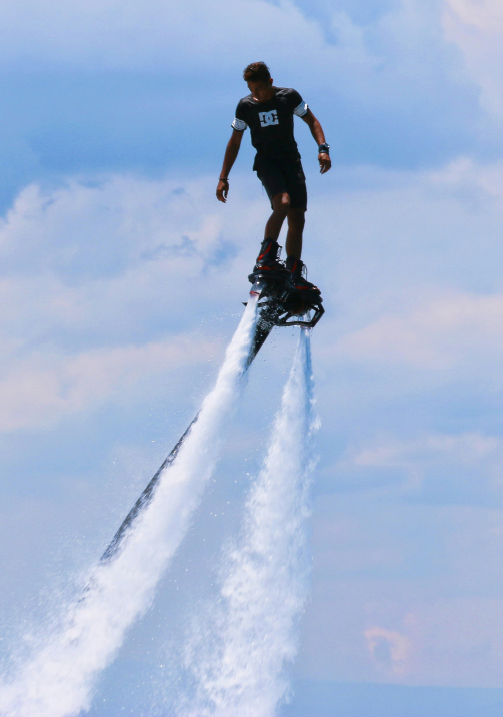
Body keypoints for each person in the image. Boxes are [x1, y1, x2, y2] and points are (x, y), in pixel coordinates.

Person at [216, 61, 331, 294]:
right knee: (283, 203)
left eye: (258, 89)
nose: (255, 94)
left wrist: (323, 148)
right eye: (251, 90)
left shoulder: (288, 97)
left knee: (297, 218)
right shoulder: (245, 106)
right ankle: (266, 257)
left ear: (270, 82)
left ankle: (293, 274)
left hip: (292, 162)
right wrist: (223, 177)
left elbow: (312, 121)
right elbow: (235, 142)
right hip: (267, 163)